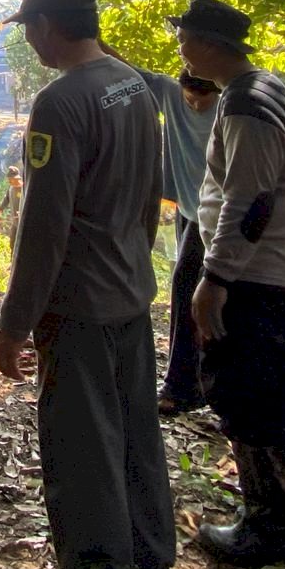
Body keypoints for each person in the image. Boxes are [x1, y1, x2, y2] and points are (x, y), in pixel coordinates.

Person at [0, 0, 175, 569]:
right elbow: (151, 193)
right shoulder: (134, 84)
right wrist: (134, 262)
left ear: (46, 26)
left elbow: (45, 227)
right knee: (136, 432)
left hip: (78, 310)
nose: (30, 42)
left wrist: (14, 326)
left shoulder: (60, 102)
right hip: (130, 294)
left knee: (80, 447)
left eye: (29, 29)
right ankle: (151, 556)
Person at [174, 0, 285, 567]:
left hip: (258, 283)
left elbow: (250, 202)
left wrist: (214, 278)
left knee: (251, 399)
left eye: (186, 39)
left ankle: (269, 528)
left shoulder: (246, 104)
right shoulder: (264, 90)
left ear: (209, 44)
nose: (181, 48)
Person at [100, 44, 221, 415]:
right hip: (189, 208)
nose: (195, 106)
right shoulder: (170, 93)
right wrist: (95, 41)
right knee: (189, 292)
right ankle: (192, 384)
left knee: (189, 288)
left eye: (203, 100)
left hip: (218, 214)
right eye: (190, 99)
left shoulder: (229, 108)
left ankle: (185, 387)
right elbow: (132, 71)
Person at [0, 164, 24, 239]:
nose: (9, 181)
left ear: (17, 178)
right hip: (15, 222)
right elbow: (6, 199)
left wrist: (22, 212)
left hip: (24, 222)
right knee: (12, 242)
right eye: (9, 179)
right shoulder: (11, 188)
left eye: (11, 179)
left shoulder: (25, 188)